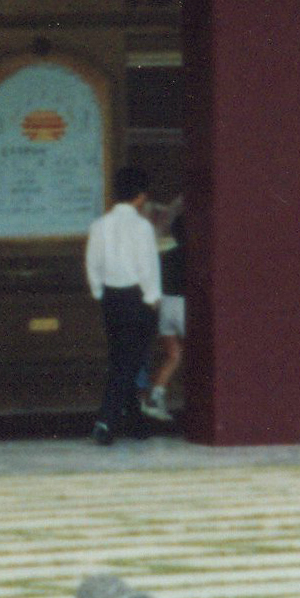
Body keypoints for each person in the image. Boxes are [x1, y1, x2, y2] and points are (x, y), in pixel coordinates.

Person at [84, 163, 163, 447]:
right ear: (141, 196)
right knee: (129, 362)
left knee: (121, 358)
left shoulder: (99, 225)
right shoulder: (142, 227)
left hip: (111, 298)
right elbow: (148, 266)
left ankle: (136, 422)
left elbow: (92, 262)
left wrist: (98, 292)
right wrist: (152, 298)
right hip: (137, 298)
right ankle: (105, 421)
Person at [144, 200, 186, 428]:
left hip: (165, 307)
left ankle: (155, 397)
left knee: (174, 355)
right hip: (184, 306)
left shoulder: (165, 256)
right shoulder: (194, 255)